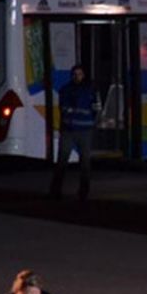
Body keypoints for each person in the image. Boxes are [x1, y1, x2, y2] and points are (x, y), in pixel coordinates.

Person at [49, 66, 97, 201]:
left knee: (84, 163)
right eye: (75, 74)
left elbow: (95, 108)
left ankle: (83, 192)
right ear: (72, 76)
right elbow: (65, 109)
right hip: (70, 130)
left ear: (83, 75)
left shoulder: (89, 90)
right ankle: (56, 191)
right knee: (63, 162)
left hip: (81, 131)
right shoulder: (66, 90)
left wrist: (77, 113)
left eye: (80, 74)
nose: (77, 76)